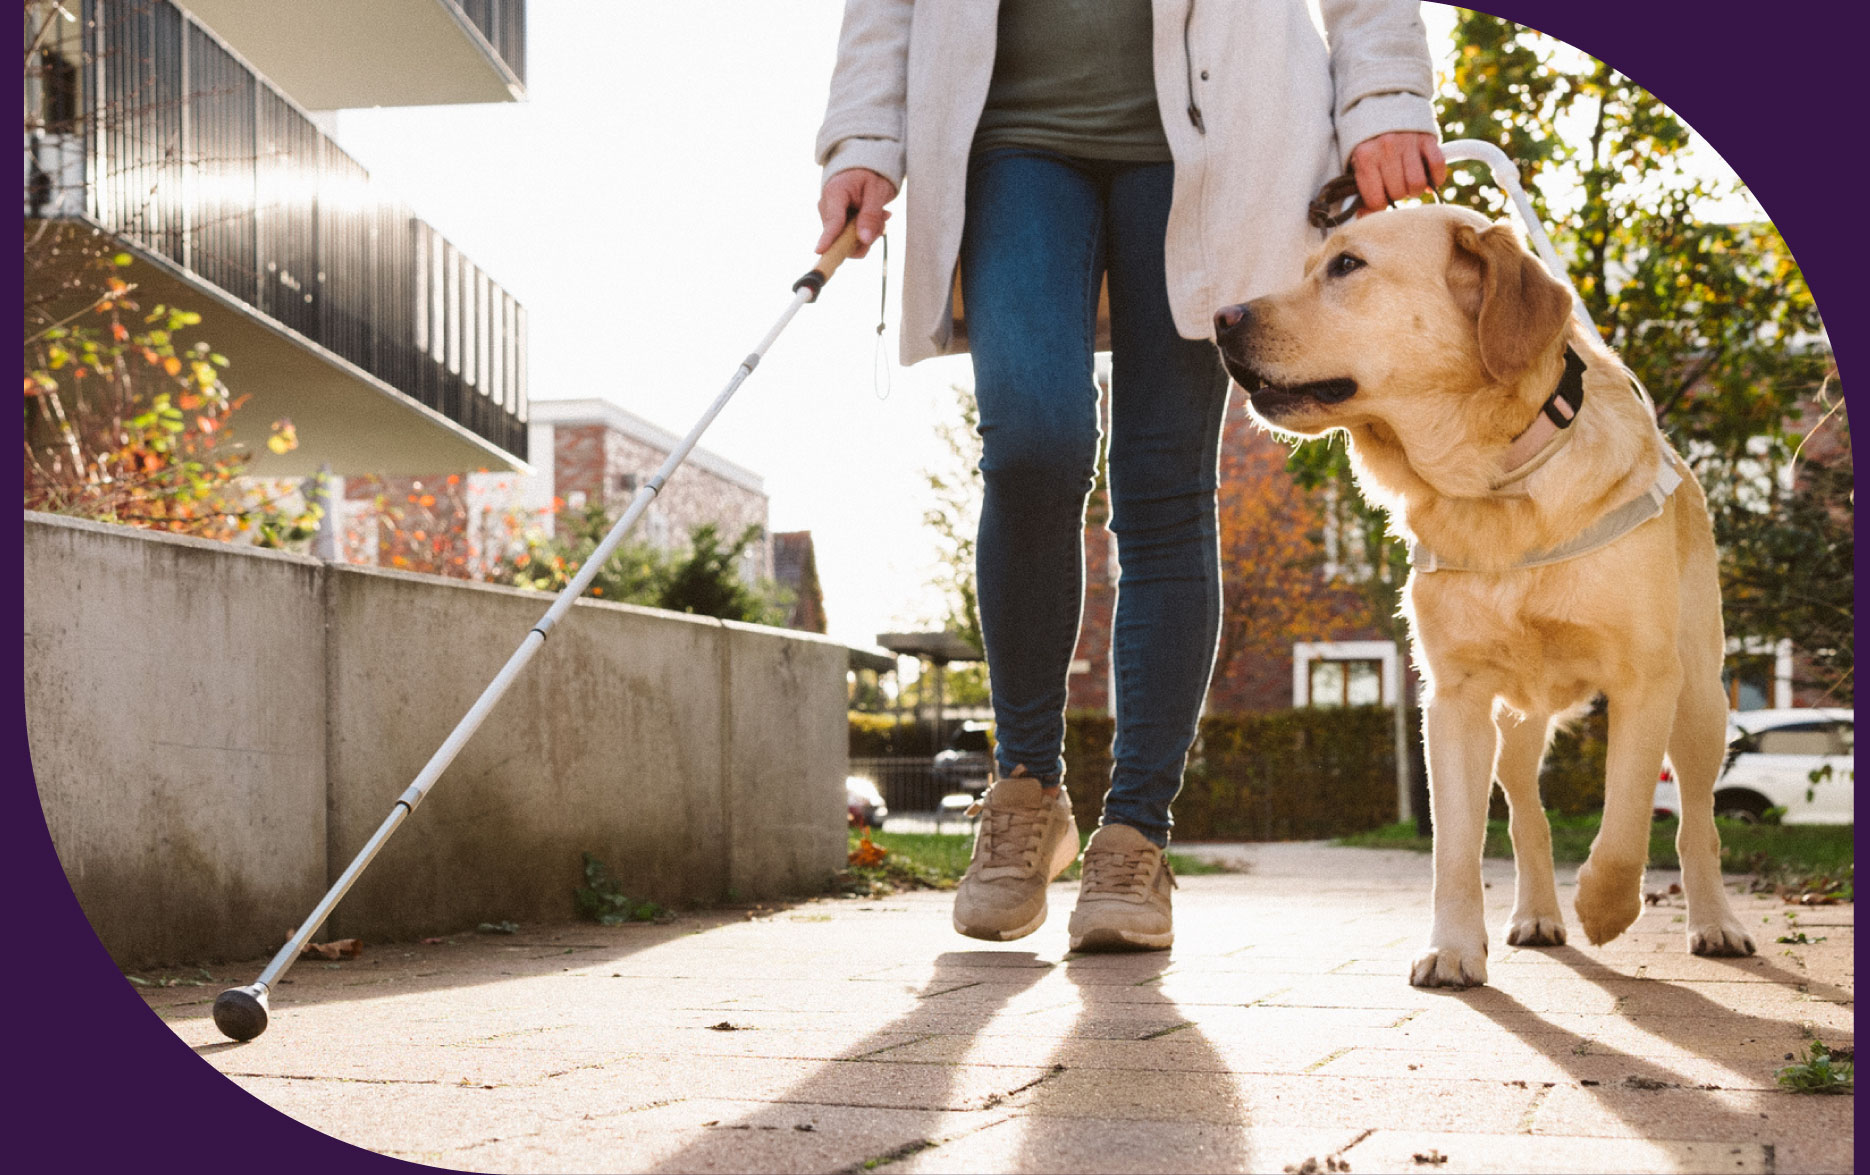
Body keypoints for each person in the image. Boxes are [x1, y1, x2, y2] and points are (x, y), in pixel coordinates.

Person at [814, 0, 1445, 952]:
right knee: (1031, 445)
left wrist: (1386, 94)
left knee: (1162, 482)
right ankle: (1027, 788)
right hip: (1012, 135)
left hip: (1219, 131)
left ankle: (1137, 834)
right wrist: (864, 134)